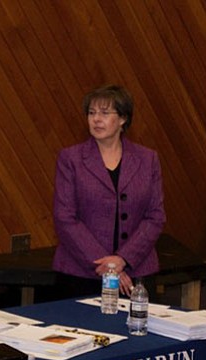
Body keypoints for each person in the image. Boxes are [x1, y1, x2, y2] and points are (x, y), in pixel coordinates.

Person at [52, 84, 165, 297]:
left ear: (123, 119)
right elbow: (65, 217)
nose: (96, 119)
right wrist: (108, 266)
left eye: (104, 113)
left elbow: (155, 217)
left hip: (135, 271)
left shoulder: (147, 159)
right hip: (82, 273)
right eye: (91, 113)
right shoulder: (71, 159)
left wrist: (123, 259)